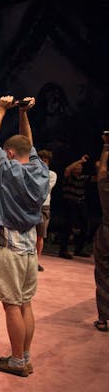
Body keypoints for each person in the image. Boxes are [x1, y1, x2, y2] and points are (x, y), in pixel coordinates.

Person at [0, 96, 49, 377]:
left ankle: (18, 361)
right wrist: (22, 113)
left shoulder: (6, 169)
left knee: (11, 305)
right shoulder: (41, 170)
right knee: (25, 303)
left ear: (9, 153)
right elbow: (29, 143)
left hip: (8, 243)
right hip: (29, 245)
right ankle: (24, 355)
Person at [59, 154, 92, 259]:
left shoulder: (83, 178)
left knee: (85, 226)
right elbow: (68, 169)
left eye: (80, 168)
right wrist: (80, 161)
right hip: (69, 202)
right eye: (77, 167)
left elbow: (97, 179)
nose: (79, 169)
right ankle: (63, 250)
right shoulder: (68, 177)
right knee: (68, 226)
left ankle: (79, 249)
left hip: (80, 203)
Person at [93, 133, 109, 332]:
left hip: (106, 232)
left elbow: (103, 170)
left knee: (103, 273)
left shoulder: (105, 187)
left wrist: (106, 147)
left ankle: (104, 318)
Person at [35, 150, 58, 271]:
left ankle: (36, 261)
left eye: (45, 161)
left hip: (44, 206)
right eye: (40, 160)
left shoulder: (52, 174)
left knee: (40, 235)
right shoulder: (31, 172)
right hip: (31, 206)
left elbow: (45, 189)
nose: (42, 162)